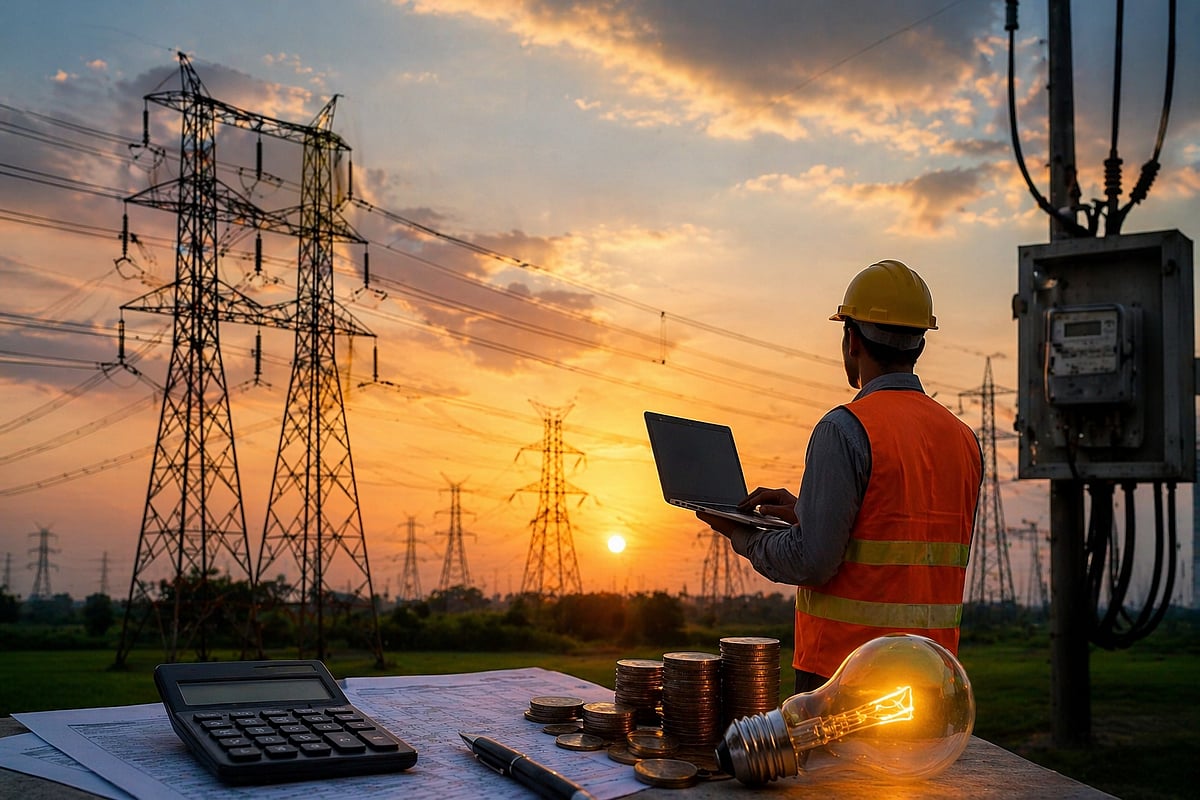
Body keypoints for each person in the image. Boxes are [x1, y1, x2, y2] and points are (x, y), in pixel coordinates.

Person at [699, 259, 983, 693]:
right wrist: (806, 513)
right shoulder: (964, 440)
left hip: (843, 677)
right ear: (920, 345)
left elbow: (811, 560)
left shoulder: (845, 429)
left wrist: (743, 535)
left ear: (851, 340)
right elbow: (901, 533)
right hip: (931, 681)